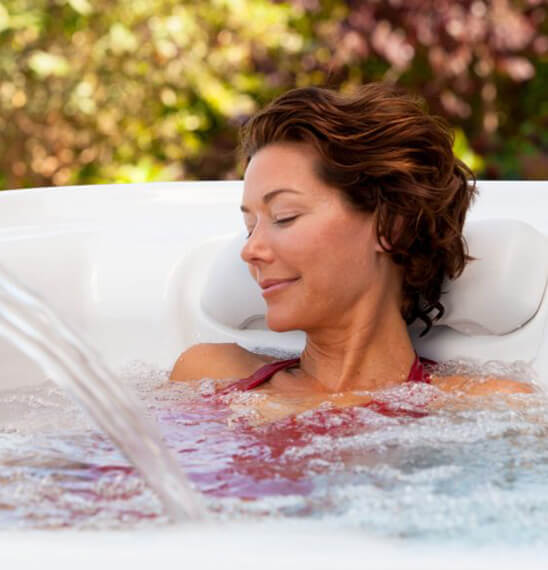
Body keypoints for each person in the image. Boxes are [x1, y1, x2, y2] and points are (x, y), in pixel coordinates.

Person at [170, 83, 531, 406]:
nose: (250, 250)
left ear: (390, 225)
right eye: (250, 227)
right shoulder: (209, 376)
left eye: (284, 216)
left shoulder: (484, 408)